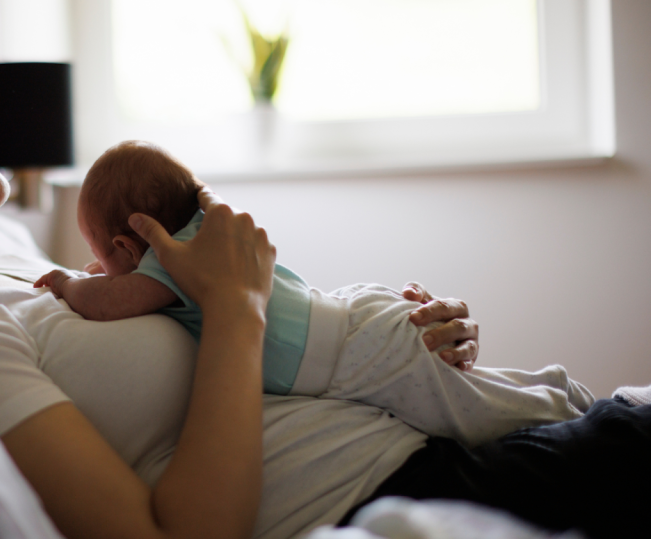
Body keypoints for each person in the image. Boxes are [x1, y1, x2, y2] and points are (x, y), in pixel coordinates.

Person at [0, 8, 650, 539]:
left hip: (422, 446)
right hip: (385, 501)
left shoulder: (18, 267)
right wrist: (237, 309)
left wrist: (394, 342)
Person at [33, 140, 595, 447]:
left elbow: (108, 302)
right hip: (353, 316)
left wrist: (67, 282)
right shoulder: (207, 233)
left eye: (102, 257)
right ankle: (553, 390)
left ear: (126, 248)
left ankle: (560, 401)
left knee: (472, 416)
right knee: (467, 397)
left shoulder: (168, 263)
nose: (103, 271)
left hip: (355, 349)